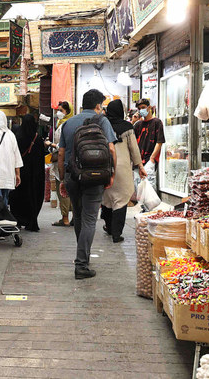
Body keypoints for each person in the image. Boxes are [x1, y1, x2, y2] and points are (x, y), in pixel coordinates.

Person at [58, 89, 117, 280]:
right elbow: (111, 149)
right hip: (96, 177)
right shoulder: (102, 120)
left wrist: (62, 179)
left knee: (79, 216)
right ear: (98, 105)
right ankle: (82, 263)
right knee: (90, 219)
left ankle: (82, 256)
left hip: (73, 176)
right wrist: (111, 174)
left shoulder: (68, 123)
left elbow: (60, 154)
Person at [101, 100, 147, 243]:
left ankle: (108, 227)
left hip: (105, 166)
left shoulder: (102, 125)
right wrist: (140, 166)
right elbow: (134, 149)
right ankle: (116, 233)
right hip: (122, 169)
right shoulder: (127, 127)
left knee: (107, 199)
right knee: (120, 201)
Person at [9, 114, 45, 232]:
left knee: (18, 196)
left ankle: (18, 219)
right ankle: (32, 221)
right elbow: (41, 157)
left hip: (20, 172)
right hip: (35, 174)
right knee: (33, 196)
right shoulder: (37, 138)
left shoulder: (17, 137)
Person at [46, 101, 74, 227]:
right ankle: (73, 218)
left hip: (62, 162)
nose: (58, 113)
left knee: (63, 190)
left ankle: (65, 218)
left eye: (61, 110)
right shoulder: (62, 124)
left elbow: (62, 146)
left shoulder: (65, 126)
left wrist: (50, 145)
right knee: (70, 190)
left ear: (67, 112)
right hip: (69, 162)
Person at [134, 99, 165, 191]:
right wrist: (133, 122)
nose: (141, 110)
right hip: (138, 160)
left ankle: (149, 205)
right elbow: (131, 139)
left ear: (149, 107)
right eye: (139, 108)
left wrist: (152, 158)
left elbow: (159, 142)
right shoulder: (138, 125)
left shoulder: (157, 122)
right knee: (137, 186)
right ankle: (141, 204)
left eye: (143, 107)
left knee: (149, 187)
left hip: (149, 160)